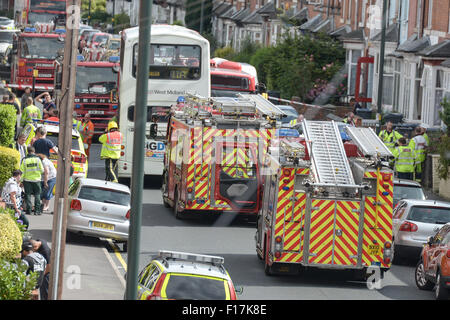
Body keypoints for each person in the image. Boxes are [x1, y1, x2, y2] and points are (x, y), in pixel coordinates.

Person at [20, 146, 44, 216]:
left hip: (27, 180)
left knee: (28, 195)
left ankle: (29, 210)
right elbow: (42, 170)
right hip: (36, 180)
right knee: (37, 194)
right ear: (34, 151)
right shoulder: (38, 159)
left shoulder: (24, 160)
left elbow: (22, 171)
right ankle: (37, 211)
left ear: (28, 151)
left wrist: (21, 181)